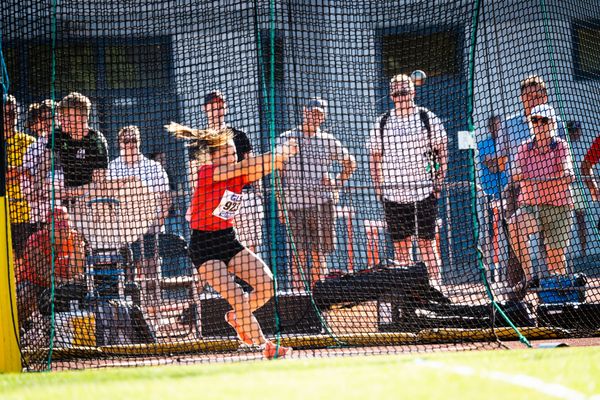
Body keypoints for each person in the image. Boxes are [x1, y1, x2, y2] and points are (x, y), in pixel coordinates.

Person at [166, 121, 298, 359]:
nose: (232, 157)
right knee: (236, 294)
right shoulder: (207, 172)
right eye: (226, 153)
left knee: (267, 284)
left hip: (229, 241)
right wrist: (277, 154)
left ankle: (239, 316)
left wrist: (280, 158)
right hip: (204, 247)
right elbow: (246, 166)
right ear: (214, 156)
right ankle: (264, 345)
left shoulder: (239, 175)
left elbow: (257, 168)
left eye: (233, 153)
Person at [367, 74, 447, 284]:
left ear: (413, 92)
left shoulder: (426, 118)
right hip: (393, 194)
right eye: (396, 93)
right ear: (391, 96)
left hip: (423, 191)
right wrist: (379, 188)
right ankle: (411, 292)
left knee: (426, 244)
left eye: (404, 91)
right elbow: (374, 157)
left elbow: (442, 150)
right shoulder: (383, 122)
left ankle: (436, 287)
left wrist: (438, 182)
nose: (401, 96)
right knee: (401, 247)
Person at [276, 98, 356, 288]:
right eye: (312, 112)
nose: (314, 116)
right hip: (294, 206)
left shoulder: (329, 140)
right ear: (304, 111)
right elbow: (277, 174)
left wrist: (337, 182)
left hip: (322, 204)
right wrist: (281, 206)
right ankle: (298, 297)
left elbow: (350, 162)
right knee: (298, 255)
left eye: (319, 114)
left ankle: (318, 297)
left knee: (318, 253)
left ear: (324, 116)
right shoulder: (286, 138)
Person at [508, 104, 574, 285]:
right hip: (531, 205)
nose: (539, 124)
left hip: (558, 206)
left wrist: (563, 172)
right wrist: (544, 178)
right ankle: (530, 278)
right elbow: (515, 173)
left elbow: (566, 170)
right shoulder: (524, 148)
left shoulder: (560, 145)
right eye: (535, 120)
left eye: (543, 120)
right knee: (514, 225)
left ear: (552, 123)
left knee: (555, 258)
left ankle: (562, 290)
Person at [106, 126, 172, 300]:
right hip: (124, 230)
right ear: (120, 143)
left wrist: (157, 223)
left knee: (151, 271)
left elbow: (166, 198)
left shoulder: (153, 167)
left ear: (139, 142)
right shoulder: (112, 168)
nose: (130, 144)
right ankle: (132, 306)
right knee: (128, 272)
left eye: (134, 140)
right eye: (126, 141)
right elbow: (108, 200)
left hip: (150, 228)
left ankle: (154, 307)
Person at [201, 91, 263, 252]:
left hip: (243, 195)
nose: (217, 111)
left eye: (220, 107)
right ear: (205, 109)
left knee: (250, 245)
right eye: (213, 107)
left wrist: (258, 193)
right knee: (224, 246)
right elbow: (197, 173)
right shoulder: (202, 140)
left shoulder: (239, 135)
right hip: (218, 197)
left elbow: (251, 166)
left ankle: (249, 277)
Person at [16, 206, 86, 328]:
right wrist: (64, 281)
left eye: (65, 227)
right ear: (48, 227)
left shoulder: (74, 239)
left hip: (63, 284)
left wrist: (78, 249)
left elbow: (76, 272)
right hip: (34, 284)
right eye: (59, 228)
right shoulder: (36, 240)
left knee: (79, 292)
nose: (64, 231)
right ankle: (17, 325)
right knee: (26, 295)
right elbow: (44, 274)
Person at [45, 92, 109, 208]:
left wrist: (61, 193)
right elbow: (43, 164)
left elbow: (98, 183)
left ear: (80, 118)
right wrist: (40, 186)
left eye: (65, 115)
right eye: (60, 115)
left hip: (90, 201)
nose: (61, 119)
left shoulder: (96, 140)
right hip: (67, 202)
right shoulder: (58, 134)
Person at [3, 94, 37, 260]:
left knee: (26, 260)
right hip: (3, 212)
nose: (7, 118)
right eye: (3, 113)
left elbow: (34, 173)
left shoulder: (29, 141)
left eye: (11, 114)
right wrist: (20, 171)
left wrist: (12, 172)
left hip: (25, 213)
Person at [476, 115, 508, 278]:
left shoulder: (507, 143)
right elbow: (494, 167)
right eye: (495, 126)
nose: (498, 129)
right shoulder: (483, 144)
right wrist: (499, 160)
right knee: (489, 232)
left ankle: (506, 267)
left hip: (506, 192)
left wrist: (497, 161)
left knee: (507, 229)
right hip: (489, 193)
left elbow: (500, 165)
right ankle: (491, 270)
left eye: (500, 126)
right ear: (490, 128)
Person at [22, 100, 57, 228]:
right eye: (43, 118)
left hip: (65, 214)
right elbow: (26, 178)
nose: (47, 122)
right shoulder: (33, 147)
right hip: (39, 216)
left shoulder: (70, 142)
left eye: (51, 117)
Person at [566, 121, 589, 257]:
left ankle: (583, 252)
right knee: (564, 219)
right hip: (568, 186)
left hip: (578, 186)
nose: (578, 133)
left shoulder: (582, 146)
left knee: (581, 219)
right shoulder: (566, 144)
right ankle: (569, 253)